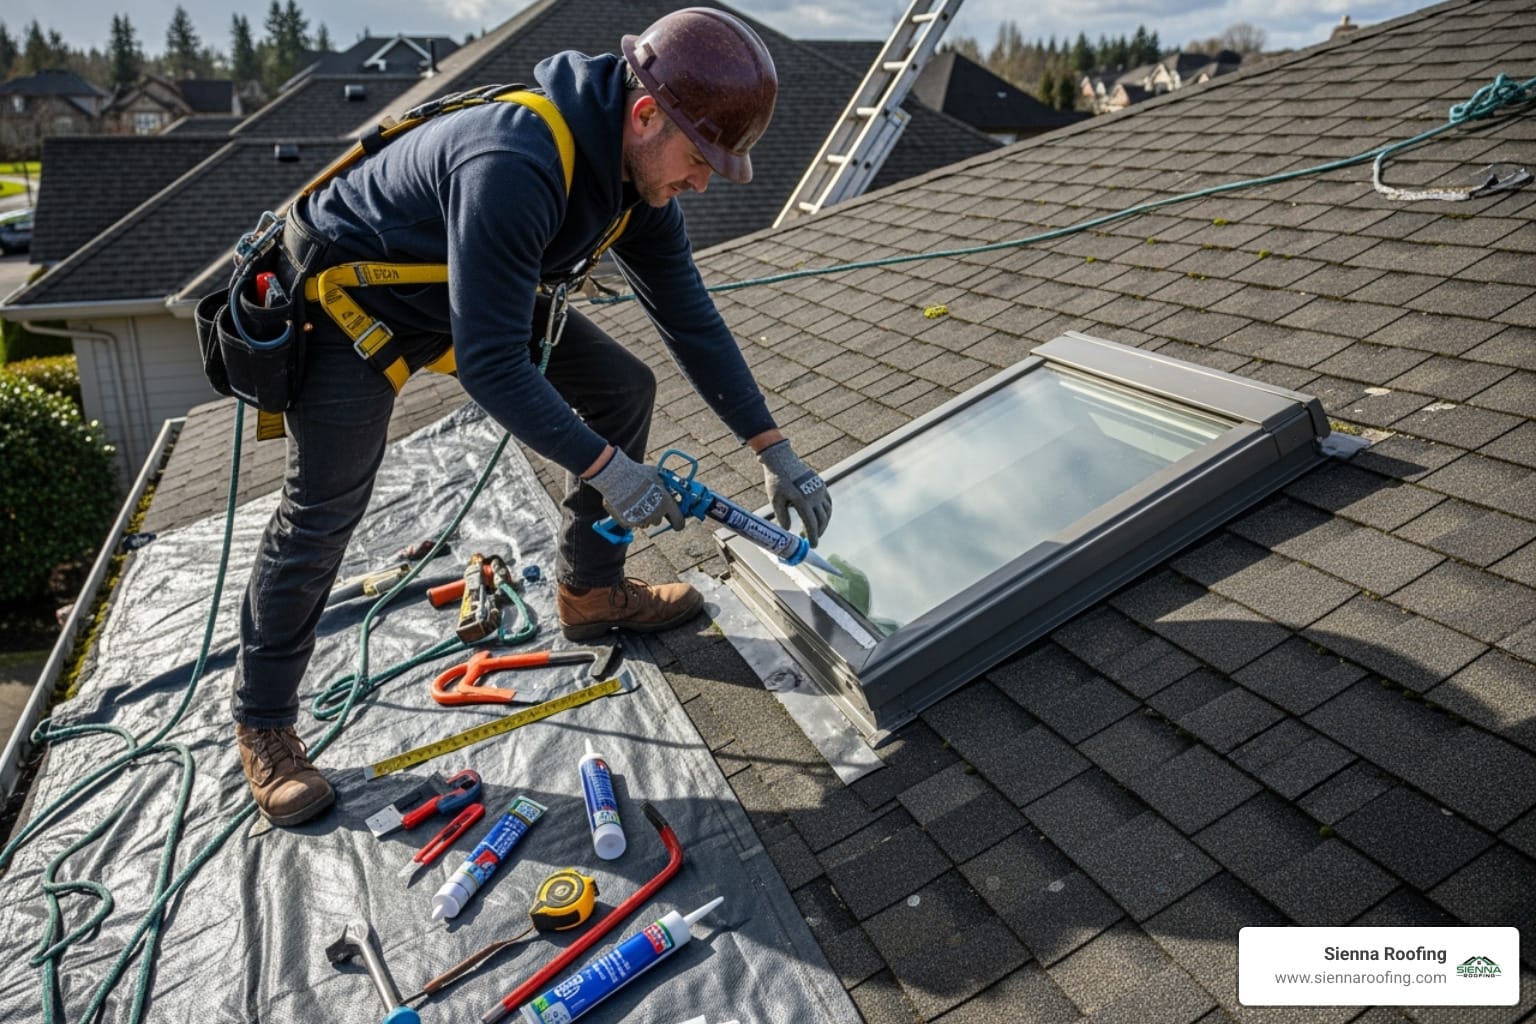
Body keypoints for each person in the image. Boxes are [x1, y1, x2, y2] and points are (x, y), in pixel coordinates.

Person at [231, 7, 834, 826]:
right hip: (349, 300)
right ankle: (264, 723)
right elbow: (491, 365)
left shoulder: (635, 181)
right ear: (646, 112)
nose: (699, 182)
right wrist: (610, 470)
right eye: (698, 159)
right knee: (325, 507)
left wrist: (776, 449)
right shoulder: (516, 158)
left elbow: (689, 316)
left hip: (455, 291)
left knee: (622, 387)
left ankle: (589, 591)